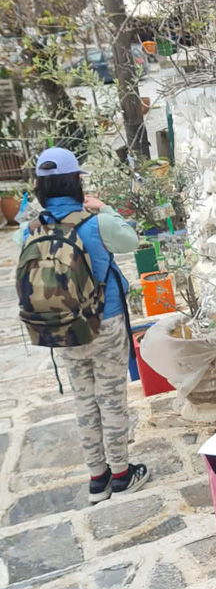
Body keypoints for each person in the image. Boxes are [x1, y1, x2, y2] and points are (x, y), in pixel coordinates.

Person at [18, 147, 148, 503]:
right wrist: (103, 208)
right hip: (104, 322)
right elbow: (132, 241)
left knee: (84, 400)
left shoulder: (32, 228)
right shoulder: (97, 222)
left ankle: (97, 478)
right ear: (77, 181)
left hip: (61, 329)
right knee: (111, 399)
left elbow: (20, 244)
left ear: (40, 186)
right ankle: (121, 473)